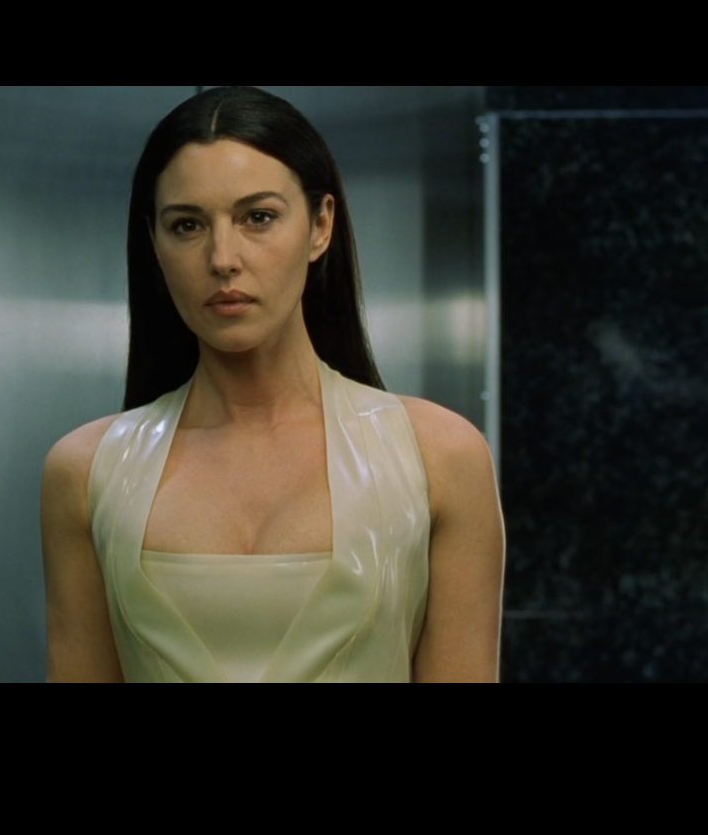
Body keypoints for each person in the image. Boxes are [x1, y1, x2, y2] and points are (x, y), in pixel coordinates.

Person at [40, 87, 506, 683]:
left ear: (320, 225)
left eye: (258, 217)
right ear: (154, 242)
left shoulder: (438, 457)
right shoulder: (86, 473)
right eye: (187, 225)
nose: (223, 258)